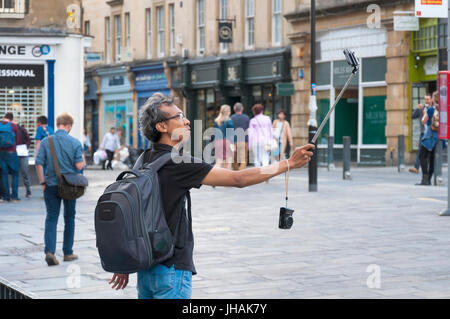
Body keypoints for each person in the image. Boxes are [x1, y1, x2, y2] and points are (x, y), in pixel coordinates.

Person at [108, 93, 314, 299]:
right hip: (171, 269)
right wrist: (287, 164)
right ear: (162, 126)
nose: (187, 121)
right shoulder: (178, 163)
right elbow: (238, 179)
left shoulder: (142, 160)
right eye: (179, 116)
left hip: (146, 270)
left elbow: (133, 214)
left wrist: (126, 262)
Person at [35, 113, 84, 266]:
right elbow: (78, 166)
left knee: (51, 218)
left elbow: (38, 164)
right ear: (69, 126)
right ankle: (68, 252)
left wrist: (43, 182)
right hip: (70, 185)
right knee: (69, 218)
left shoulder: (45, 142)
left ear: (58, 125)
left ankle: (50, 251)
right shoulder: (75, 143)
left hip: (51, 184)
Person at [417, 91, 439, 186]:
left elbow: (423, 121)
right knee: (432, 158)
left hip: (430, 135)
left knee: (422, 156)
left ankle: (425, 179)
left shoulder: (431, 109)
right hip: (438, 136)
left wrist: (425, 113)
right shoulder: (443, 109)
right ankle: (429, 179)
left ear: (434, 99)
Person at [0, 113, 20, 203]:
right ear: (12, 119)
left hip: (1, 153)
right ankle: (14, 197)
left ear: (4, 118)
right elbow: (18, 140)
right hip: (12, 152)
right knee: (15, 174)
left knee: (4, 175)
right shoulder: (14, 126)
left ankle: (6, 197)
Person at [410, 94, 432, 174]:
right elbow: (413, 116)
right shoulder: (422, 108)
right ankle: (416, 167)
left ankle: (431, 168)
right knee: (420, 150)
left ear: (431, 100)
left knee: (431, 151)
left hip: (431, 133)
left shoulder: (433, 109)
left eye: (428, 99)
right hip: (423, 133)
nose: (426, 101)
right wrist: (417, 109)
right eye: (425, 99)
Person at [213, 104, 234, 170]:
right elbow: (231, 134)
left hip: (218, 141)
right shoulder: (229, 121)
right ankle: (227, 178)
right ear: (228, 112)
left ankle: (214, 175)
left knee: (219, 161)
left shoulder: (216, 121)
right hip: (227, 141)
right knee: (228, 161)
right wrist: (233, 144)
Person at [231, 103, 250, 171]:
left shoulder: (231, 118)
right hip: (243, 140)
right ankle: (242, 172)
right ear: (242, 109)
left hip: (234, 141)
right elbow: (248, 130)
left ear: (234, 109)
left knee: (234, 158)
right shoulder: (246, 117)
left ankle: (236, 173)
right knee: (243, 159)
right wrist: (248, 142)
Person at [16, 121, 32, 198]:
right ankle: (15, 193)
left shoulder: (22, 129)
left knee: (25, 172)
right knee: (16, 173)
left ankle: (28, 191)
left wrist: (25, 147)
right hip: (15, 153)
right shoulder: (12, 129)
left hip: (23, 153)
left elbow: (29, 140)